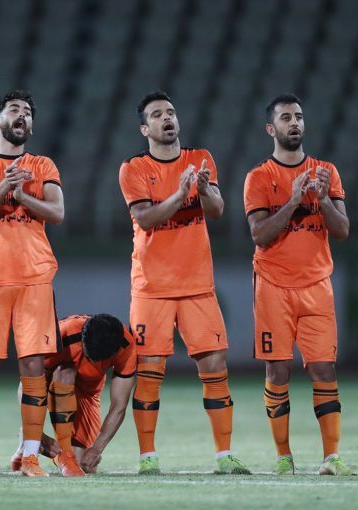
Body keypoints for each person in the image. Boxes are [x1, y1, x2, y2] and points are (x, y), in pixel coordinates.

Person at [118, 91, 248, 475]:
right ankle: (148, 457)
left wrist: (203, 188)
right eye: (157, 115)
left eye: (171, 112)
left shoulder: (200, 158)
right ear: (145, 129)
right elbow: (146, 219)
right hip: (152, 287)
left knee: (215, 364)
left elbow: (218, 210)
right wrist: (179, 193)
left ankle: (224, 456)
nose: (167, 118)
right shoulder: (133, 168)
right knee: (150, 369)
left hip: (197, 284)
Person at [243, 93, 352, 476]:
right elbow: (260, 235)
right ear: (270, 129)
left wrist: (323, 201)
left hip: (317, 285)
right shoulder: (259, 177)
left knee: (324, 370)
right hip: (273, 286)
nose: (295, 123)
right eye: (286, 118)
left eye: (299, 117)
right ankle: (283, 457)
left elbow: (342, 231)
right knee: (277, 372)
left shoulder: (326, 172)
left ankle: (332, 457)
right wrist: (292, 202)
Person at [0, 90, 64, 478]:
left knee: (34, 365)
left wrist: (22, 195)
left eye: (27, 112)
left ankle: (31, 456)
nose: (22, 115)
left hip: (35, 278)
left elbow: (57, 212)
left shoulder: (43, 165)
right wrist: (5, 187)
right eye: (14, 110)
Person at [10, 314, 136, 476]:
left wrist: (97, 448)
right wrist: (35, 431)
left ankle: (41, 446)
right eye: (90, 356)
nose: (94, 363)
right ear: (82, 339)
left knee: (85, 466)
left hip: (87, 394)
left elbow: (119, 406)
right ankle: (44, 445)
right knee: (66, 372)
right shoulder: (60, 335)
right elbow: (28, 387)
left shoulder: (125, 346)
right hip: (54, 385)